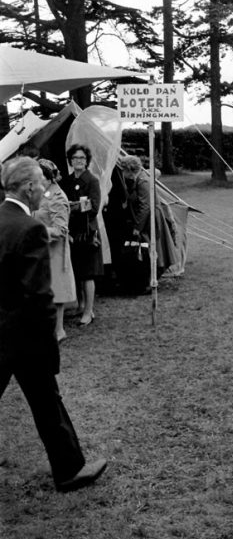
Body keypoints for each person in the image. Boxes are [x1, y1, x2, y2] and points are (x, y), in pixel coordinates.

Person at [0, 156, 106, 491]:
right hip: (23, 336)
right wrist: (49, 342)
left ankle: (69, 468)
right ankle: (69, 470)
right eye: (41, 185)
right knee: (48, 402)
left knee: (47, 402)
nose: (44, 189)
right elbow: (38, 296)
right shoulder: (30, 228)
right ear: (30, 187)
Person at [33, 159, 76, 343]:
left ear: (49, 177)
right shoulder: (39, 195)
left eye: (40, 176)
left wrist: (36, 231)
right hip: (40, 250)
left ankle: (59, 330)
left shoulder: (58, 198)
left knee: (57, 292)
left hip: (55, 251)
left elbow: (61, 230)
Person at [62, 144, 103, 326]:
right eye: (75, 158)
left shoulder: (92, 180)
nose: (78, 161)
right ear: (70, 160)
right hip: (71, 231)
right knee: (76, 270)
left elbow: (94, 207)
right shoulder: (67, 181)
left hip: (87, 231)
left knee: (87, 273)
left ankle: (89, 311)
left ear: (87, 161)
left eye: (82, 158)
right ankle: (79, 305)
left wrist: (76, 207)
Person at [120, 155, 177, 281]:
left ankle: (153, 276)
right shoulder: (139, 179)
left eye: (123, 170)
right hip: (147, 217)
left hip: (151, 218)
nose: (123, 173)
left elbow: (145, 206)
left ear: (129, 169)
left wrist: (137, 227)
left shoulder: (143, 181)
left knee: (153, 246)